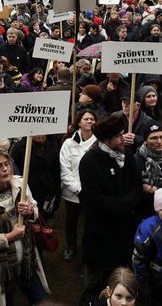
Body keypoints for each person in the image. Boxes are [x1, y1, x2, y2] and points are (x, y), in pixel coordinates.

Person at [0, 146, 50, 305]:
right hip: (1, 267)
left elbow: (34, 209)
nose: (5, 169)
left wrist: (29, 211)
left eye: (7, 164)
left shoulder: (21, 183)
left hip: (27, 259)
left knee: (40, 300)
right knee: (6, 300)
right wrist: (10, 236)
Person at [78, 113, 142, 305]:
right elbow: (96, 201)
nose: (124, 138)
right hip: (100, 238)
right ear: (107, 139)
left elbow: (137, 188)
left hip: (124, 235)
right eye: (119, 135)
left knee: (120, 283)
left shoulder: (127, 155)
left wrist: (124, 203)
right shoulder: (89, 162)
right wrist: (126, 204)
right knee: (94, 286)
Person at [59, 109, 97, 262]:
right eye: (86, 119)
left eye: (92, 119)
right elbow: (65, 169)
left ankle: (88, 248)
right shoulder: (69, 143)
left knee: (90, 222)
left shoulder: (99, 143)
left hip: (92, 193)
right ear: (79, 123)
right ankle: (71, 246)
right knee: (71, 221)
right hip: (72, 193)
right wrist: (77, 189)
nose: (89, 121)